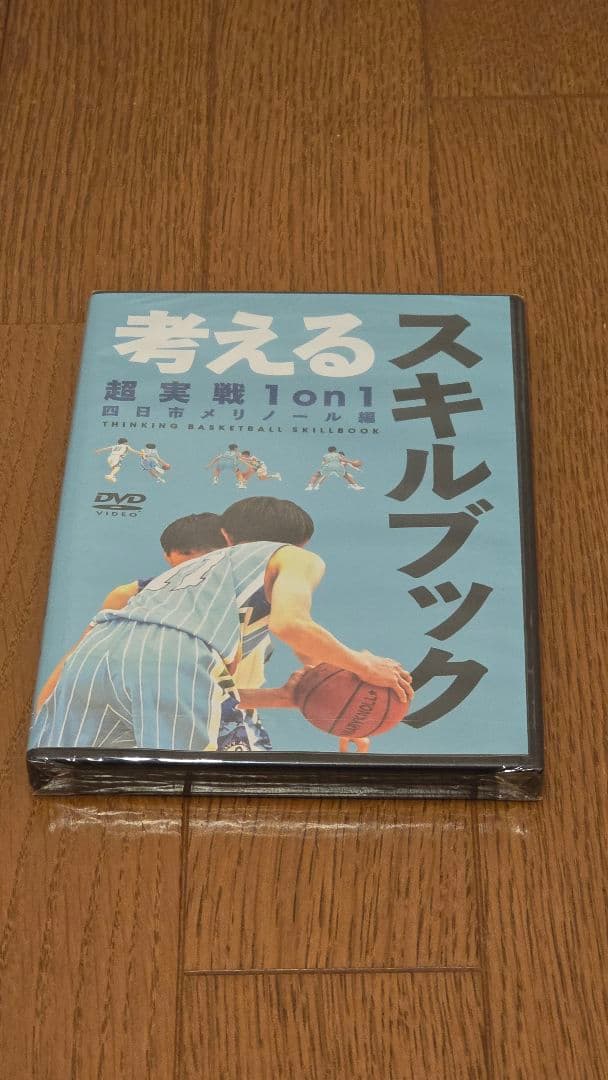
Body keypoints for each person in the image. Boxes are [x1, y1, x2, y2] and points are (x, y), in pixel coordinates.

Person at [31, 496, 413, 751]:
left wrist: (301, 693)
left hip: (92, 661)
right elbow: (292, 625)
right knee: (219, 787)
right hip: (178, 656)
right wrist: (365, 667)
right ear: (302, 543)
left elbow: (304, 649)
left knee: (74, 774)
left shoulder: (166, 582)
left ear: (227, 536)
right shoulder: (293, 558)